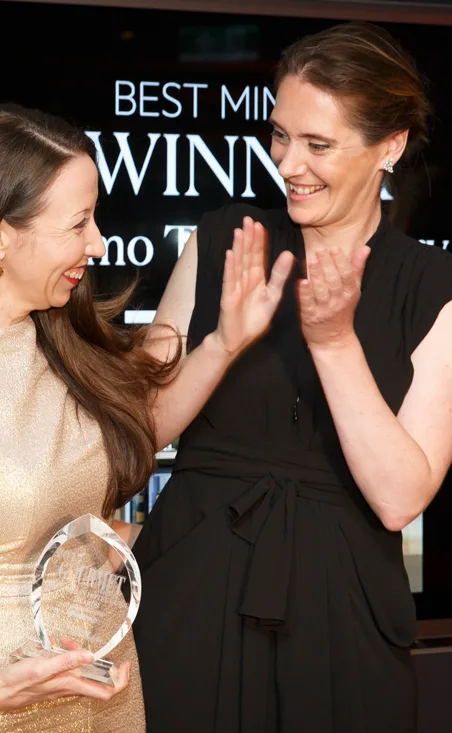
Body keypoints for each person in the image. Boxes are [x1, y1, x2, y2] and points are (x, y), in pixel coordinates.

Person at [0, 104, 291, 732]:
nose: (97, 243)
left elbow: (135, 435)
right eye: (78, 223)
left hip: (97, 688)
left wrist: (224, 343)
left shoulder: (60, 341)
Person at [133, 22, 452, 733]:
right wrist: (222, 343)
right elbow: (138, 432)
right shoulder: (223, 239)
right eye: (280, 136)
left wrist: (334, 343)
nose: (288, 163)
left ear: (390, 146)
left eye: (318, 144)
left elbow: (400, 498)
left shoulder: (433, 286)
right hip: (191, 588)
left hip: (345, 611)